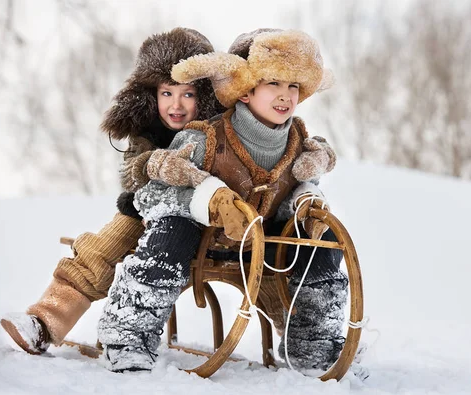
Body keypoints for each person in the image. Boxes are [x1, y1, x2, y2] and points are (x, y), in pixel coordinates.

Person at [98, 28, 347, 373]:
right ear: (245, 91)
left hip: (258, 246)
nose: (284, 96)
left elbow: (298, 187)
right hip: (200, 240)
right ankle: (128, 336)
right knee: (172, 229)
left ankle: (315, 350)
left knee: (324, 239)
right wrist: (208, 201)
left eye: (293, 86)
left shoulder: (298, 143)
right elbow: (153, 195)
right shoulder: (205, 138)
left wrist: (307, 203)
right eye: (273, 83)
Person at [0, 27, 224, 355]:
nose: (175, 104)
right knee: (100, 248)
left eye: (187, 94)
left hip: (200, 220)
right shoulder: (147, 131)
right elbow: (132, 174)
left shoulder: (217, 132)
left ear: (202, 97)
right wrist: (152, 165)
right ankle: (45, 322)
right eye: (166, 93)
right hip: (148, 214)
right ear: (152, 94)